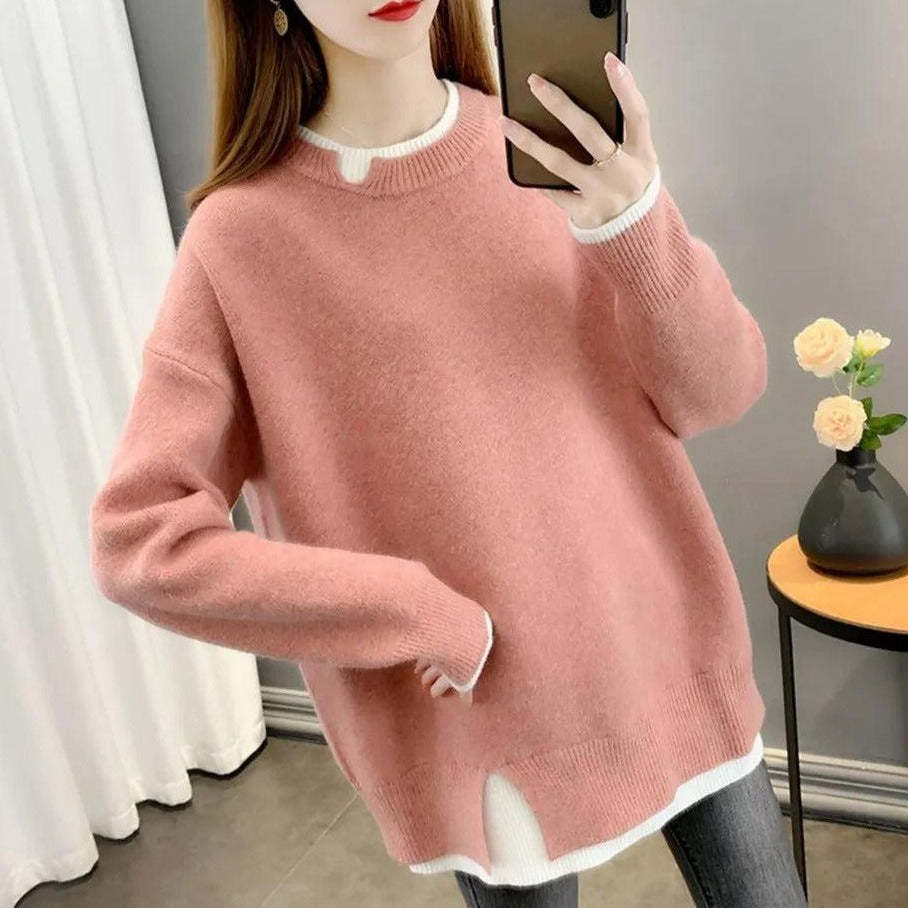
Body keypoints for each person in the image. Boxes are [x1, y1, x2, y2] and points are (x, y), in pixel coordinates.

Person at [89, 2, 806, 906]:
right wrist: (410, 610)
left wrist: (636, 222)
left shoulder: (548, 151)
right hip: (490, 728)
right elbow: (141, 542)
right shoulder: (241, 243)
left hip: (672, 654)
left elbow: (722, 391)